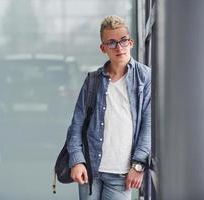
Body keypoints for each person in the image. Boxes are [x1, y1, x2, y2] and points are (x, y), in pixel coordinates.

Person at [66, 15, 151, 200]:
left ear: (131, 42)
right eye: (111, 43)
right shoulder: (93, 80)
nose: (119, 47)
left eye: (123, 41)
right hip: (90, 170)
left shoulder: (145, 78)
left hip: (122, 173)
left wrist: (138, 165)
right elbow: (76, 125)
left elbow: (148, 125)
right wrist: (77, 160)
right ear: (103, 48)